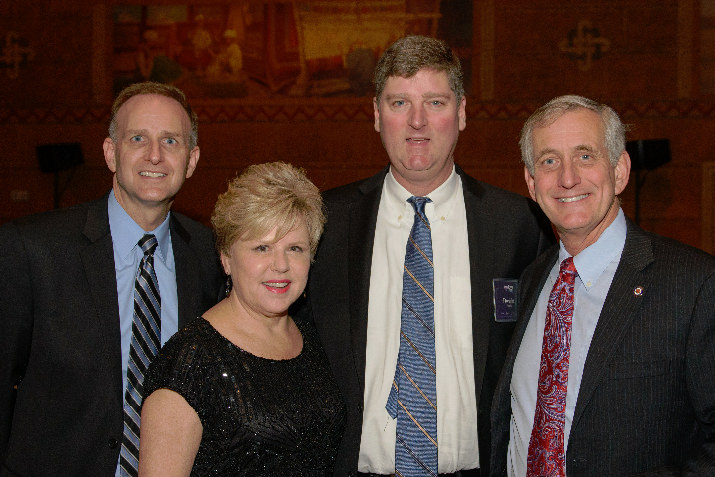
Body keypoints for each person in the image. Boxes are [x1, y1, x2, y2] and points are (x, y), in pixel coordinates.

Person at [304, 35, 555, 477]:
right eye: (400, 103)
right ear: (377, 115)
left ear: (461, 113)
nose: (417, 122)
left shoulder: (519, 225)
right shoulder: (323, 223)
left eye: (435, 103)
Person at [0, 81, 224, 476]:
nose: (154, 155)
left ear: (191, 160)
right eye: (138, 138)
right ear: (110, 152)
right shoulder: (33, 250)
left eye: (170, 141)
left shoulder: (211, 256)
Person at [490, 95, 715, 476]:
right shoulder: (530, 280)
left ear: (620, 170)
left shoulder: (693, 286)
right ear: (531, 182)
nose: (567, 177)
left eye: (585, 156)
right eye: (549, 161)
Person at [138, 162, 347, 476]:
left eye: (295, 248)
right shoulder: (190, 362)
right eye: (262, 247)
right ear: (225, 257)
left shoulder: (315, 337)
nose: (281, 265)